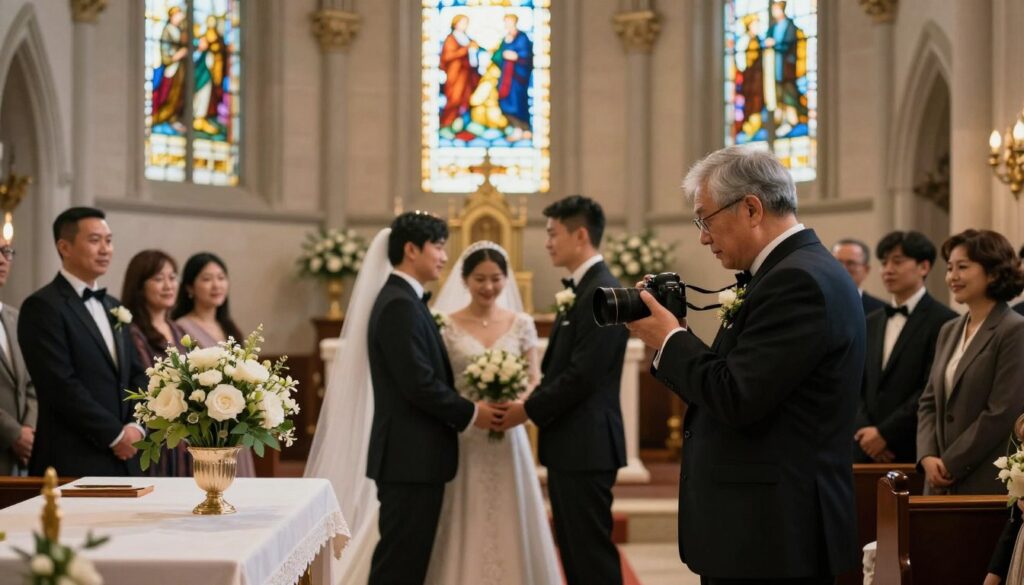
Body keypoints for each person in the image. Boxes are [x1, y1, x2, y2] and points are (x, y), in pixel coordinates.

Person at [627, 146, 864, 583]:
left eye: (705, 219)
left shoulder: (797, 282)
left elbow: (737, 397)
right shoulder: (790, 272)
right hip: (762, 531)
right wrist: (675, 335)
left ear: (751, 208)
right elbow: (735, 382)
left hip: (774, 535)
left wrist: (669, 339)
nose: (702, 236)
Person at [304, 235, 561, 585]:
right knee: (437, 529)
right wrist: (474, 411)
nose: (488, 286)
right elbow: (429, 381)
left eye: (496, 278)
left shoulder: (521, 323)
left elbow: (534, 376)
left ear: (507, 279)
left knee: (505, 516)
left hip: (506, 432)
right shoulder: (440, 322)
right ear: (465, 281)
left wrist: (520, 403)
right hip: (463, 435)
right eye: (480, 278)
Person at [365, 212, 504, 585]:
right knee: (399, 563)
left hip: (414, 458)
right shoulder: (398, 304)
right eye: (439, 247)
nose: (445, 256)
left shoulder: (406, 300)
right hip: (409, 458)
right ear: (411, 249)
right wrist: (474, 412)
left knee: (408, 559)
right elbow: (418, 384)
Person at [498, 195, 629, 585]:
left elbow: (583, 375)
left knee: (589, 552)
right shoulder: (583, 289)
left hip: (586, 445)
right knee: (574, 549)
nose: (547, 242)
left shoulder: (601, 291)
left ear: (581, 235)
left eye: (553, 233)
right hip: (572, 443)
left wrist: (528, 410)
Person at [20, 207, 148, 477]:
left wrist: (136, 426)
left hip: (127, 459)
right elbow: (59, 384)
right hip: (72, 458)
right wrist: (114, 435)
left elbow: (137, 373)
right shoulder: (43, 306)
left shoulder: (115, 306)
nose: (105, 249)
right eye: (94, 240)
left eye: (109, 240)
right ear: (64, 247)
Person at [916, 229, 1024, 495]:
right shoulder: (949, 329)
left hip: (984, 477)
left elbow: (1001, 412)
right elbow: (928, 401)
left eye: (962, 267)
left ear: (994, 272)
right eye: (949, 267)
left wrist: (951, 462)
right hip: (938, 477)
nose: (952, 276)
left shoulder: (1014, 329)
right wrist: (928, 456)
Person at [853, 231, 956, 464]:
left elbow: (931, 388)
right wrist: (866, 432)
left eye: (897, 262)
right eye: (884, 262)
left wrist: (885, 435)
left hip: (912, 448)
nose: (888, 269)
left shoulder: (945, 321)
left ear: (923, 267)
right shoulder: (871, 320)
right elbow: (855, 382)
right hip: (863, 448)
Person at [172, 252, 254, 478]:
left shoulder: (229, 327)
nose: (216, 285)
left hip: (234, 428)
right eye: (207, 279)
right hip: (206, 433)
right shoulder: (181, 328)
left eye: (221, 277)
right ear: (189, 287)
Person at [121, 249, 191, 477]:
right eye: (158, 279)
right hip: (155, 437)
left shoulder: (179, 330)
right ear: (139, 286)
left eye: (172, 277)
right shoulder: (133, 332)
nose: (168, 285)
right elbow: (145, 384)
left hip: (187, 436)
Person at [0, 237, 35, 475]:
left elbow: (32, 382)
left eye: (6, 251)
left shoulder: (16, 318)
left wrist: (29, 430)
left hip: (19, 461)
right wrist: (13, 433)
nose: (3, 260)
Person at [491, 14, 533, 142]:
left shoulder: (522, 37)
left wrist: (515, 56)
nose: (507, 24)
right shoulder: (506, 39)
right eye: (506, 22)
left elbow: (526, 55)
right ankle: (516, 128)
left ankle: (524, 128)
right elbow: (497, 57)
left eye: (509, 22)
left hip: (518, 78)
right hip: (506, 78)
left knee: (518, 102)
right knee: (505, 101)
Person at [439, 14, 481, 130]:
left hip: (467, 73)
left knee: (466, 97)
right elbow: (447, 56)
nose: (464, 25)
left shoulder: (467, 38)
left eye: (466, 23)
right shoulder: (451, 39)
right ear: (456, 24)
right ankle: (448, 122)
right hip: (455, 73)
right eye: (462, 22)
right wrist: (466, 49)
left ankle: (463, 123)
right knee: (455, 97)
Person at [832, 238, 885, 316]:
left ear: (866, 270)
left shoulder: (881, 310)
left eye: (851, 263)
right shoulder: (813, 304)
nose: (842, 269)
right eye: (837, 262)